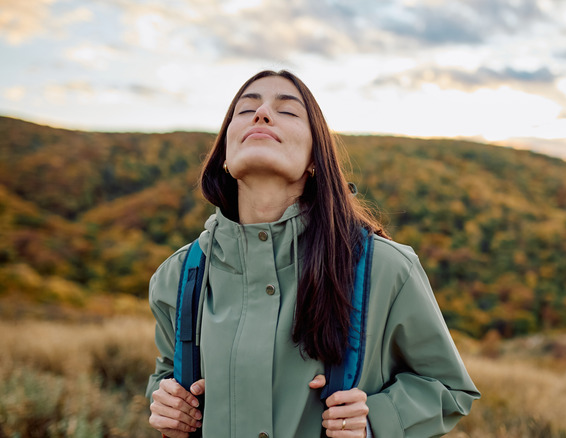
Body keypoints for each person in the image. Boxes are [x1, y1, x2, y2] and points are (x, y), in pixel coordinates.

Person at [145, 70, 480, 437]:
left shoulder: (387, 269)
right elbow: (167, 374)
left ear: (315, 161)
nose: (262, 114)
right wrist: (165, 403)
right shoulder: (178, 276)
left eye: (287, 111)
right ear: (225, 153)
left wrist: (374, 420)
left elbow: (450, 389)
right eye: (246, 109)